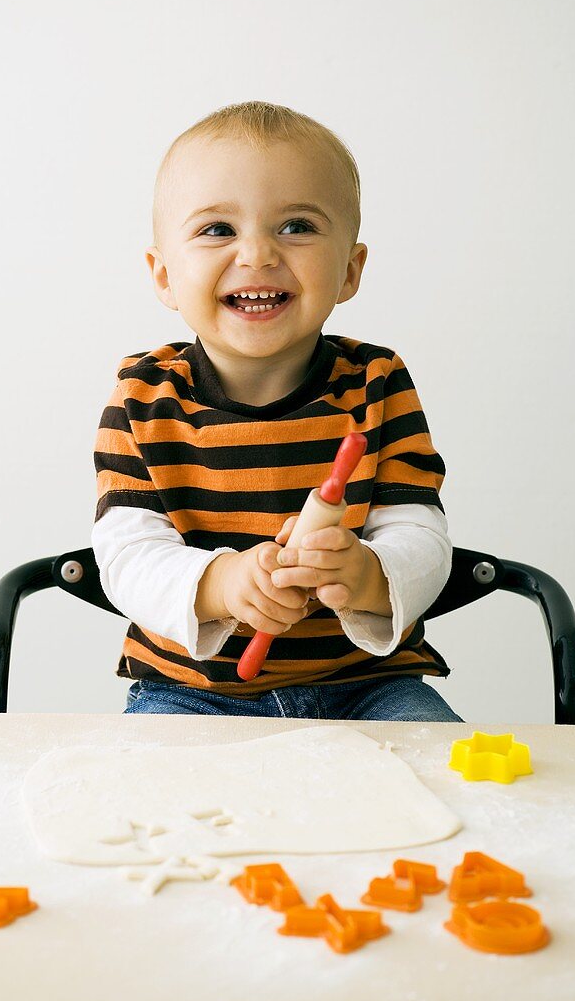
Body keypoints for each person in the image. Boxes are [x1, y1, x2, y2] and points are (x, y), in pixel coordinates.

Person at [91, 100, 462, 722]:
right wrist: (221, 586)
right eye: (217, 229)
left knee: (451, 795)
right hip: (189, 693)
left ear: (350, 269)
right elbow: (127, 553)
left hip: (368, 686)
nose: (257, 253)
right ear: (163, 276)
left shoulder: (377, 384)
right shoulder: (144, 396)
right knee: (149, 805)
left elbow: (420, 531)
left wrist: (369, 575)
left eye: (296, 226)